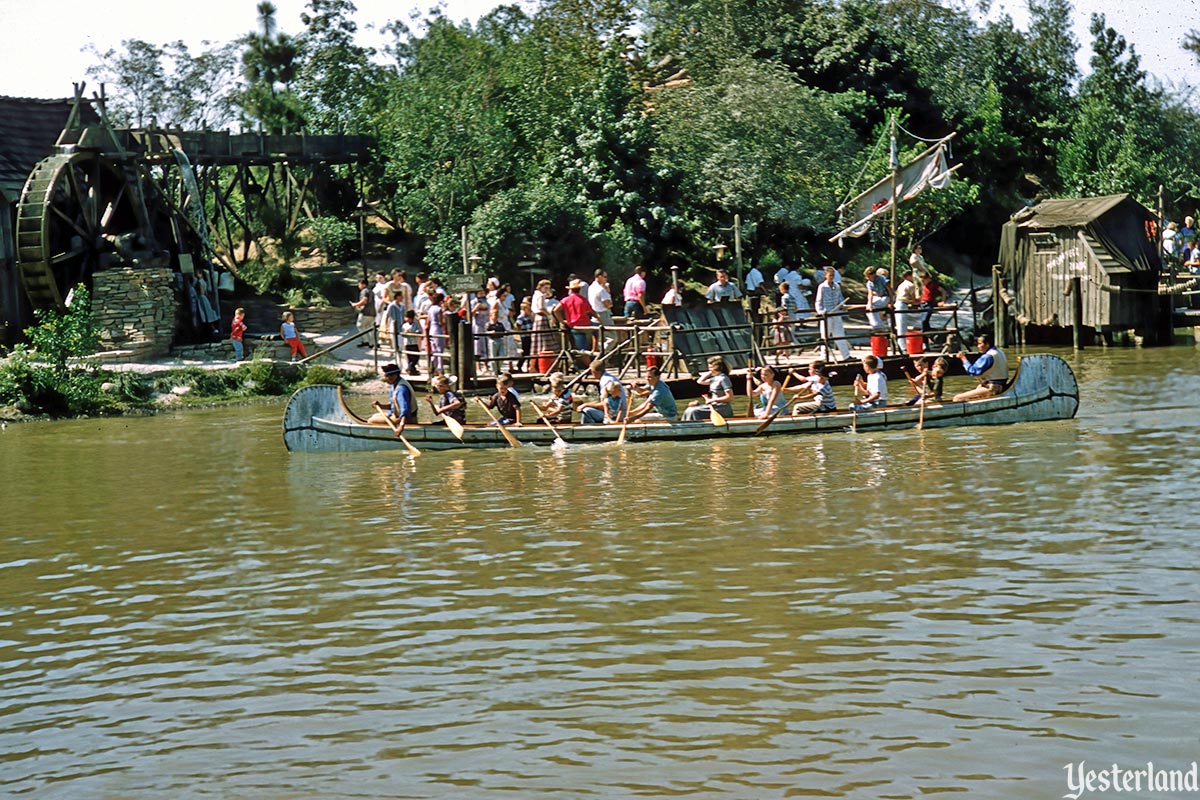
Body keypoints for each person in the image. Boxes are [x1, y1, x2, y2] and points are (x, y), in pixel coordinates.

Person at [952, 333, 1008, 401]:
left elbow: (973, 371)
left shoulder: (988, 356)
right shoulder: (1000, 352)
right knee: (977, 389)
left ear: (987, 344)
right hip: (1001, 385)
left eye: (980, 344)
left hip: (993, 387)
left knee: (957, 398)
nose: (978, 346)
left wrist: (963, 358)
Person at [814, 266, 851, 361]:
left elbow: (840, 298)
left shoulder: (837, 286)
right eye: (830, 275)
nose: (831, 277)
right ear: (826, 276)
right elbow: (818, 301)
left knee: (840, 335)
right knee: (825, 336)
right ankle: (824, 357)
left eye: (833, 275)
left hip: (836, 313)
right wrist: (821, 312)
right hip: (827, 314)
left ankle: (846, 356)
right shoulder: (822, 287)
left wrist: (843, 305)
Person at [681, 356, 734, 421]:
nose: (709, 369)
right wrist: (710, 372)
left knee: (693, 411)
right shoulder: (715, 378)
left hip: (722, 408)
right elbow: (700, 381)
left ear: (718, 367)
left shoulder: (723, 379)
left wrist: (712, 400)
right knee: (689, 409)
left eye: (711, 367)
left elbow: (730, 397)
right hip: (713, 406)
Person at [368, 363, 417, 433]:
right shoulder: (394, 385)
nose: (384, 379)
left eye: (385, 376)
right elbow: (393, 406)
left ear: (392, 376)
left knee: (371, 421)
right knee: (374, 416)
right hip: (397, 415)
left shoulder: (401, 389)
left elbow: (405, 410)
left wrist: (401, 426)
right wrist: (381, 406)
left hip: (405, 419)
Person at [560, 278, 595, 361]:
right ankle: (595, 351)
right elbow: (591, 311)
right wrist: (599, 319)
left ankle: (583, 362)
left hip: (573, 326)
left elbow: (555, 310)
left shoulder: (566, 300)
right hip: (585, 325)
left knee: (580, 346)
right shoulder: (583, 300)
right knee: (597, 333)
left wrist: (562, 321)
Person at [894, 268, 920, 353]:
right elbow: (913, 298)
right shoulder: (910, 285)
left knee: (900, 325)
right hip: (902, 304)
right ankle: (903, 347)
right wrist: (918, 301)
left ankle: (901, 345)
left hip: (898, 303)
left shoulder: (901, 285)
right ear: (908, 276)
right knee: (902, 326)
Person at [588, 269, 615, 349]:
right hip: (603, 314)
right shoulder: (601, 290)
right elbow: (608, 305)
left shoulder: (591, 287)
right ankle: (603, 355)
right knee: (612, 338)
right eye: (605, 277)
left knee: (600, 338)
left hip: (594, 314)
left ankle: (599, 353)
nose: (606, 279)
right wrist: (608, 292)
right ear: (599, 277)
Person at [920, 271, 948, 336]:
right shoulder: (924, 285)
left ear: (928, 279)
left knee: (925, 319)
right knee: (923, 320)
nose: (922, 282)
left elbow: (943, 291)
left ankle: (925, 333)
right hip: (923, 303)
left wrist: (943, 301)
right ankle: (925, 334)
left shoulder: (933, 285)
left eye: (924, 280)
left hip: (929, 303)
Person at [864, 266, 891, 330]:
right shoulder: (869, 283)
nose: (868, 278)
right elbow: (870, 294)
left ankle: (881, 325)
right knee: (869, 308)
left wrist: (891, 302)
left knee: (878, 308)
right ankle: (876, 324)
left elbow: (889, 290)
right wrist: (870, 304)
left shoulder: (882, 279)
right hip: (879, 297)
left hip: (886, 297)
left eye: (869, 276)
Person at [382, 286, 405, 361]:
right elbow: (387, 316)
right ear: (397, 297)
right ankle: (397, 359)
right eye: (401, 296)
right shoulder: (391, 305)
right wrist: (386, 327)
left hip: (401, 326)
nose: (402, 298)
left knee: (401, 343)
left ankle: (401, 356)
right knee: (395, 343)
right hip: (394, 325)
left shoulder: (402, 306)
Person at [351, 278, 374, 345]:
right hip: (372, 312)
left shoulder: (364, 291)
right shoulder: (371, 291)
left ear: (363, 284)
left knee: (360, 326)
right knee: (369, 327)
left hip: (365, 312)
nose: (359, 286)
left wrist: (355, 304)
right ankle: (372, 343)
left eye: (359, 284)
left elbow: (364, 301)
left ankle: (365, 341)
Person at [401, 310, 422, 375]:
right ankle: (411, 368)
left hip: (414, 343)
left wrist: (411, 332)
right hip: (407, 343)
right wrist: (405, 332)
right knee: (409, 357)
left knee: (416, 356)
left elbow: (419, 331)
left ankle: (411, 368)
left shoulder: (415, 325)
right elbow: (402, 333)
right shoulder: (404, 325)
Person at [515, 299, 534, 372]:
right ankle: (519, 365)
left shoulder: (530, 315)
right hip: (525, 336)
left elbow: (533, 321)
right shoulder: (521, 317)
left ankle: (529, 366)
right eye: (527, 309)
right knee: (525, 352)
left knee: (530, 352)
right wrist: (521, 332)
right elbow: (517, 325)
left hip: (531, 335)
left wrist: (530, 315)